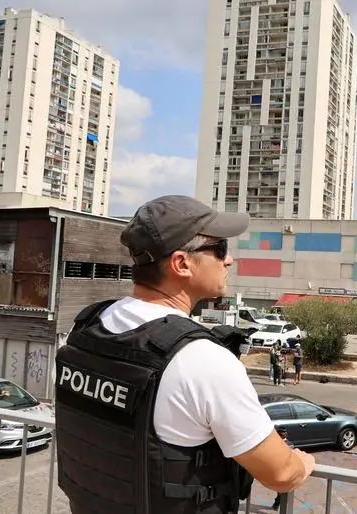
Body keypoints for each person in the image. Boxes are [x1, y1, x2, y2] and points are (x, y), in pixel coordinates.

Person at [54, 195, 315, 514]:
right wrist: (302, 463)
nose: (229, 259)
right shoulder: (201, 359)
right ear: (181, 263)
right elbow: (281, 473)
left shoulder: (88, 327)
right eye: (219, 249)